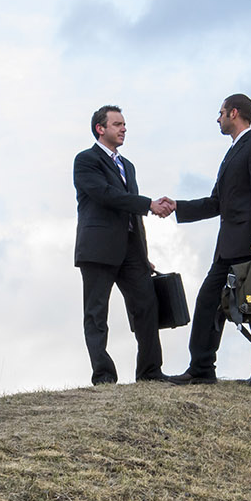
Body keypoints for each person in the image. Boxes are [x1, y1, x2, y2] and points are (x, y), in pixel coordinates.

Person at [156, 93, 251, 391]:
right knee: (207, 303)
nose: (218, 118)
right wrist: (179, 207)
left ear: (233, 113)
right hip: (227, 249)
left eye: (221, 113)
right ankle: (201, 369)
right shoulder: (232, 153)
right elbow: (217, 202)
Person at [73, 105, 174, 385]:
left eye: (124, 124)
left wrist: (143, 254)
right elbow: (106, 195)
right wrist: (149, 204)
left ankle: (150, 372)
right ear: (100, 128)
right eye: (117, 124)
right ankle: (104, 376)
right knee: (96, 314)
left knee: (147, 306)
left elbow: (131, 215)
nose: (124, 129)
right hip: (98, 250)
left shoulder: (128, 166)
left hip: (132, 251)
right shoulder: (85, 160)